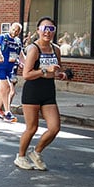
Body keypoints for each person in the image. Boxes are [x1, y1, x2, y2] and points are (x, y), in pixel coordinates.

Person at [14, 17, 68, 171]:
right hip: (33, 91)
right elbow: (26, 74)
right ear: (38, 30)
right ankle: (21, 156)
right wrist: (45, 70)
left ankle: (36, 152)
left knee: (55, 127)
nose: (47, 32)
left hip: (48, 91)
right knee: (32, 128)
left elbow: (57, 69)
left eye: (51, 29)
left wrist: (60, 74)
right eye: (44, 28)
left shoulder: (56, 49)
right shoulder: (33, 49)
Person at [0, 23, 23, 123]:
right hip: (0, 67)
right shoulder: (2, 38)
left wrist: (24, 63)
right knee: (7, 87)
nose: (14, 32)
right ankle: (8, 112)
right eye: (13, 29)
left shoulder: (18, 41)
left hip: (10, 69)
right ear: (10, 28)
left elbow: (21, 55)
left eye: (17, 31)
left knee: (5, 90)